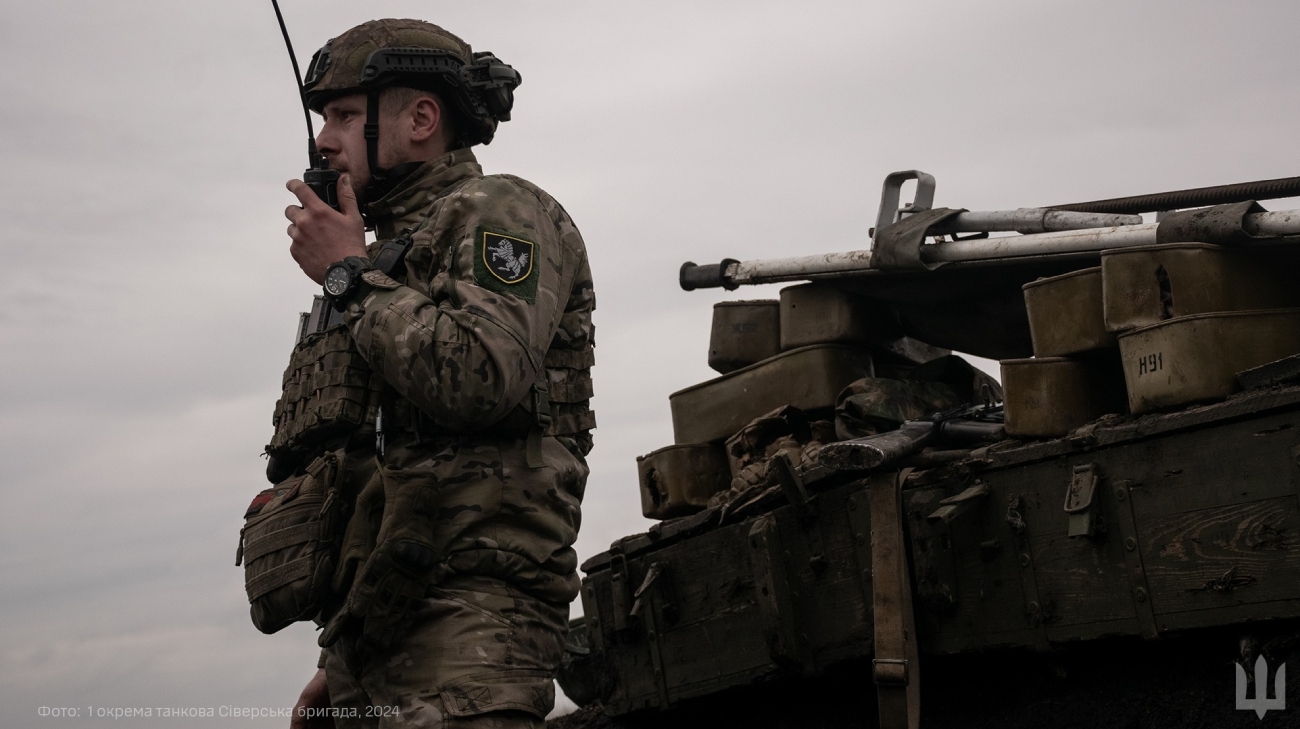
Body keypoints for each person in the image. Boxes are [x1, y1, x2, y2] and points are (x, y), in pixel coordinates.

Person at [271, 19, 595, 729]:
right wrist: (346, 648)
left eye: (344, 115)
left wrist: (349, 277)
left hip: (473, 618)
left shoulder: (499, 210)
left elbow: (482, 377)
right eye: (324, 118)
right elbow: (387, 459)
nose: (324, 139)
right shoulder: (389, 254)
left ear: (421, 120)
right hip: (382, 623)